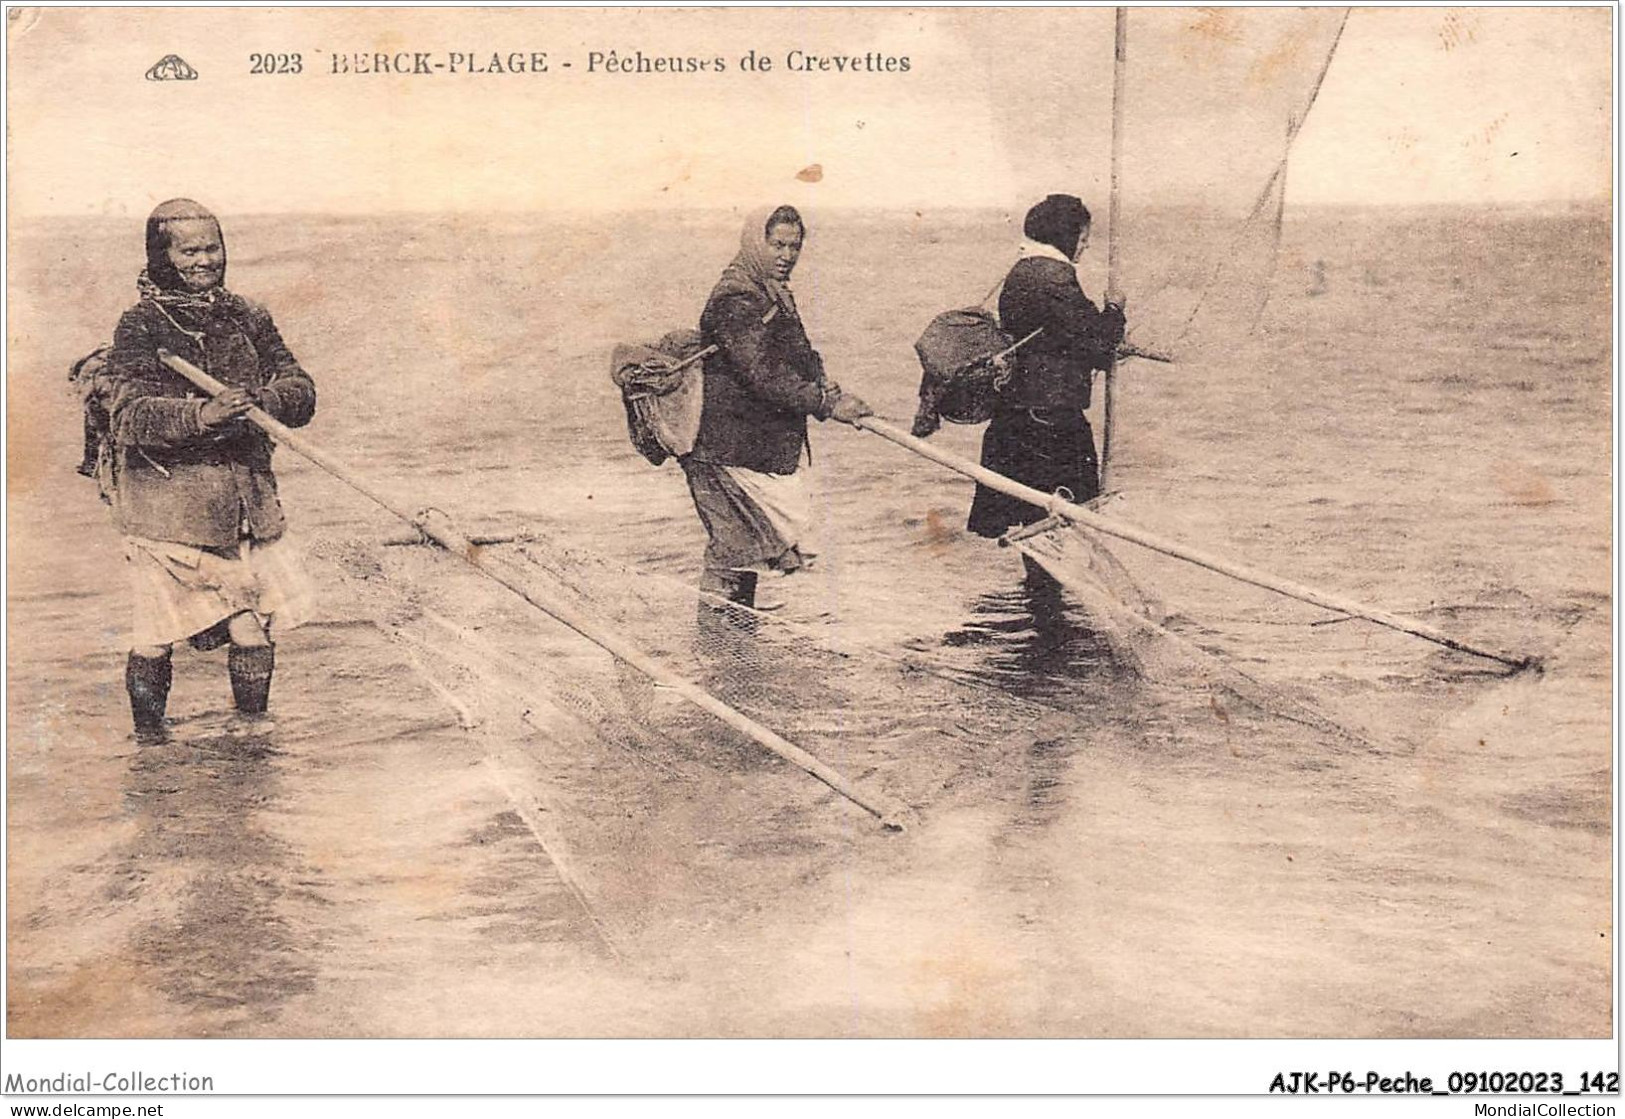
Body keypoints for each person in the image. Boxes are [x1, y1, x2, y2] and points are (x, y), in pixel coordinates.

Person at [103, 198, 317, 736]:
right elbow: (129, 416)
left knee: (252, 629)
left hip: (244, 502)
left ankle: (252, 742)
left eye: (212, 247)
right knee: (155, 635)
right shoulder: (141, 325)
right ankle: (149, 747)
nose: (204, 260)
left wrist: (265, 401)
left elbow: (301, 389)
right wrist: (204, 413)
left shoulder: (247, 315)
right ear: (161, 255)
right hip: (170, 511)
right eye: (189, 250)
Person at [681, 205, 871, 611]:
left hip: (749, 449)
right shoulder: (736, 298)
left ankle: (728, 655)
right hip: (724, 451)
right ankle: (721, 652)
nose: (787, 255)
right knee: (733, 555)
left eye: (794, 246)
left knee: (745, 553)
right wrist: (825, 403)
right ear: (756, 242)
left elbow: (792, 354)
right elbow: (762, 373)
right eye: (777, 244)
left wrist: (820, 382)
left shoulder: (769, 290)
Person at [967, 193, 1125, 544]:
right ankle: (1050, 597)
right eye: (1082, 239)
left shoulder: (1024, 271)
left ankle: (1042, 595)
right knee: (1058, 517)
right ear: (1065, 238)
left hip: (1020, 415)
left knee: (1034, 521)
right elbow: (1096, 344)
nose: (1084, 248)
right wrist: (1115, 311)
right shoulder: (1052, 277)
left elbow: (1063, 335)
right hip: (1049, 419)